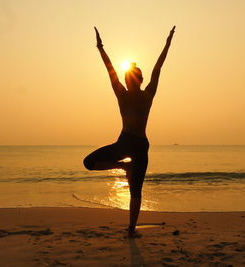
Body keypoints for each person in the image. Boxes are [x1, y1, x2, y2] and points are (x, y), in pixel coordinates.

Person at [83, 26, 175, 237]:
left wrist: (168, 44)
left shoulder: (146, 94)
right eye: (127, 79)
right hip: (126, 142)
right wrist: (100, 47)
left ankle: (131, 229)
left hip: (139, 145)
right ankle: (123, 167)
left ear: (139, 81)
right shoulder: (123, 94)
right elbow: (110, 70)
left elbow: (157, 69)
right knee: (89, 162)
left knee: (136, 191)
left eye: (131, 78)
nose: (127, 81)